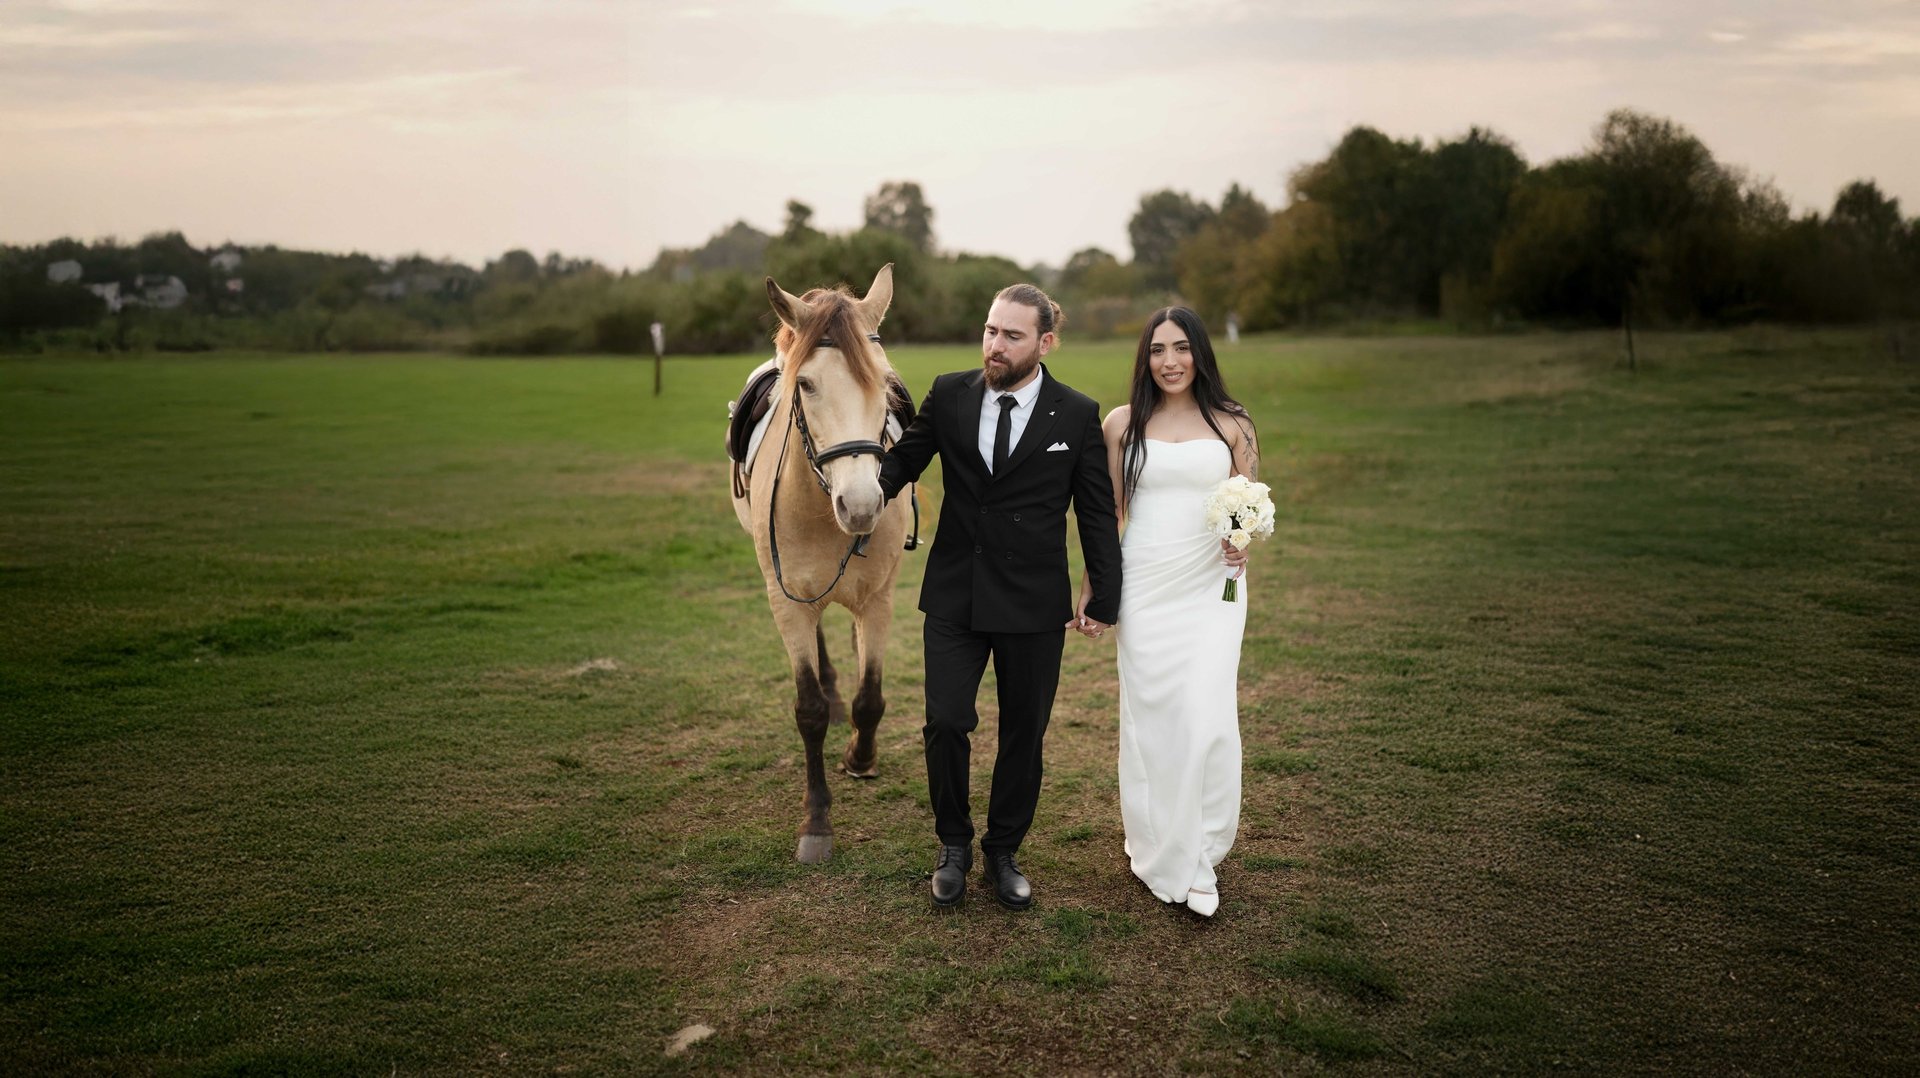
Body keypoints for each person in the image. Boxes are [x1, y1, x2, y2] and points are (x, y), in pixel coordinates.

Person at [879, 284, 1123, 910]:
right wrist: (853, 494)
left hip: (1033, 603)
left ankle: (1003, 850)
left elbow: (1095, 513)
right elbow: (902, 462)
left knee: (1024, 733)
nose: (995, 344)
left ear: (1045, 343)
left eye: (1011, 335)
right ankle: (953, 845)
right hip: (955, 593)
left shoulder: (1076, 414)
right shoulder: (949, 393)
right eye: (990, 330)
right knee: (946, 720)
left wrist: (1105, 595)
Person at [1076, 306, 1256, 918]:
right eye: (1157, 350)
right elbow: (1111, 516)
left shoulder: (1233, 423)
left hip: (1214, 586)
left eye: (1181, 348)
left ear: (1200, 353)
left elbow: (1246, 500)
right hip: (1146, 584)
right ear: (1144, 358)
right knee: (1152, 719)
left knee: (1206, 714)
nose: (1170, 361)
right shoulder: (1122, 424)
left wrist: (1241, 539)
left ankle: (1201, 853)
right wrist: (1095, 587)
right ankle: (1159, 845)